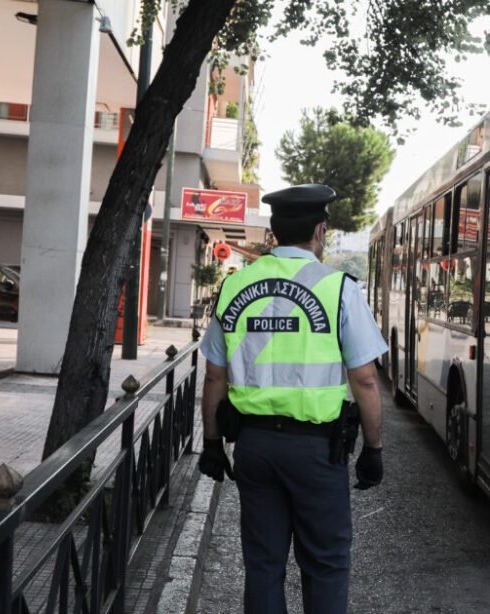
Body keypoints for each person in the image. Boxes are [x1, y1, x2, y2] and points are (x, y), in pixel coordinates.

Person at [197, 183, 388, 614]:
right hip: (316, 452)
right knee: (325, 563)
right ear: (320, 231)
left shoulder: (235, 286)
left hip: (254, 448)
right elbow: (365, 380)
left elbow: (213, 375)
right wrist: (373, 448)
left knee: (263, 565)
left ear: (274, 231)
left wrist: (211, 442)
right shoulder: (339, 289)